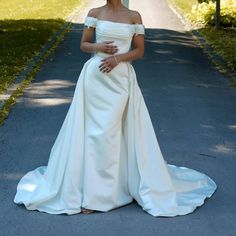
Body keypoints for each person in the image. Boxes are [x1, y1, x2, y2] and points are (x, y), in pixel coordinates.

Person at [13, 0, 217, 217]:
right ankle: (93, 195)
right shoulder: (95, 12)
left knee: (111, 133)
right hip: (95, 77)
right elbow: (84, 45)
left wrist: (118, 58)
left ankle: (111, 188)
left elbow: (139, 51)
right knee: (93, 135)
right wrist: (98, 47)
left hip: (120, 79)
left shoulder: (134, 16)